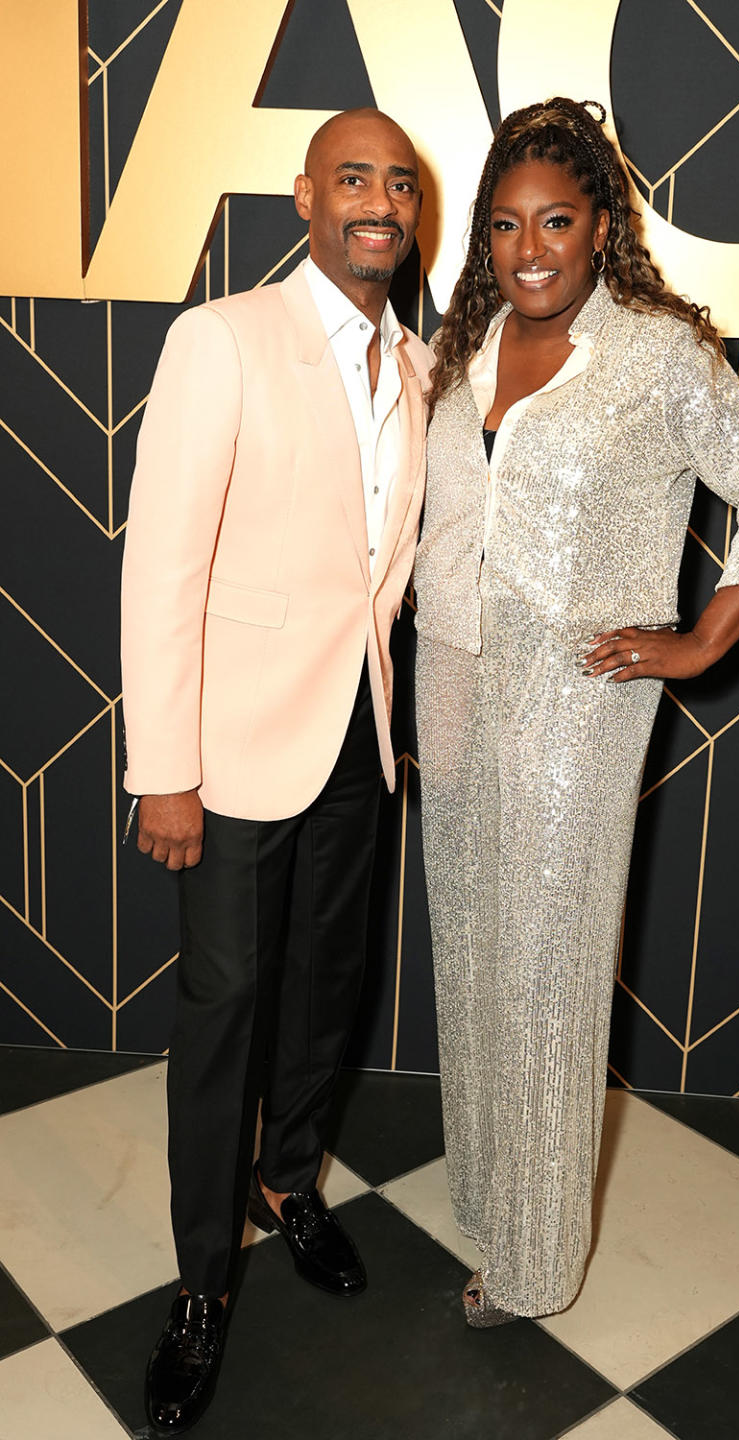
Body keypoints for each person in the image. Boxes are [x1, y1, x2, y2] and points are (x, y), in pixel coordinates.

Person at [414, 98, 739, 1326]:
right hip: (452, 671)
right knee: (471, 951)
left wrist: (701, 638)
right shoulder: (464, 345)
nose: (529, 246)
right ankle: (493, 1197)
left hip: (573, 690)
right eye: (504, 224)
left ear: (601, 227)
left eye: (556, 220)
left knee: (545, 968)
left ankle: (535, 1270)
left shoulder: (653, 352)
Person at [121, 108, 431, 1432]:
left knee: (329, 988)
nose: (378, 201)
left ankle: (289, 1184)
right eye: (353, 177)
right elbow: (163, 562)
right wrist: (166, 767)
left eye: (400, 185)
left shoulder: (418, 364)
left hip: (358, 733)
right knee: (226, 1012)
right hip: (234, 750)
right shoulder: (224, 338)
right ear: (304, 196)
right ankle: (203, 1286)